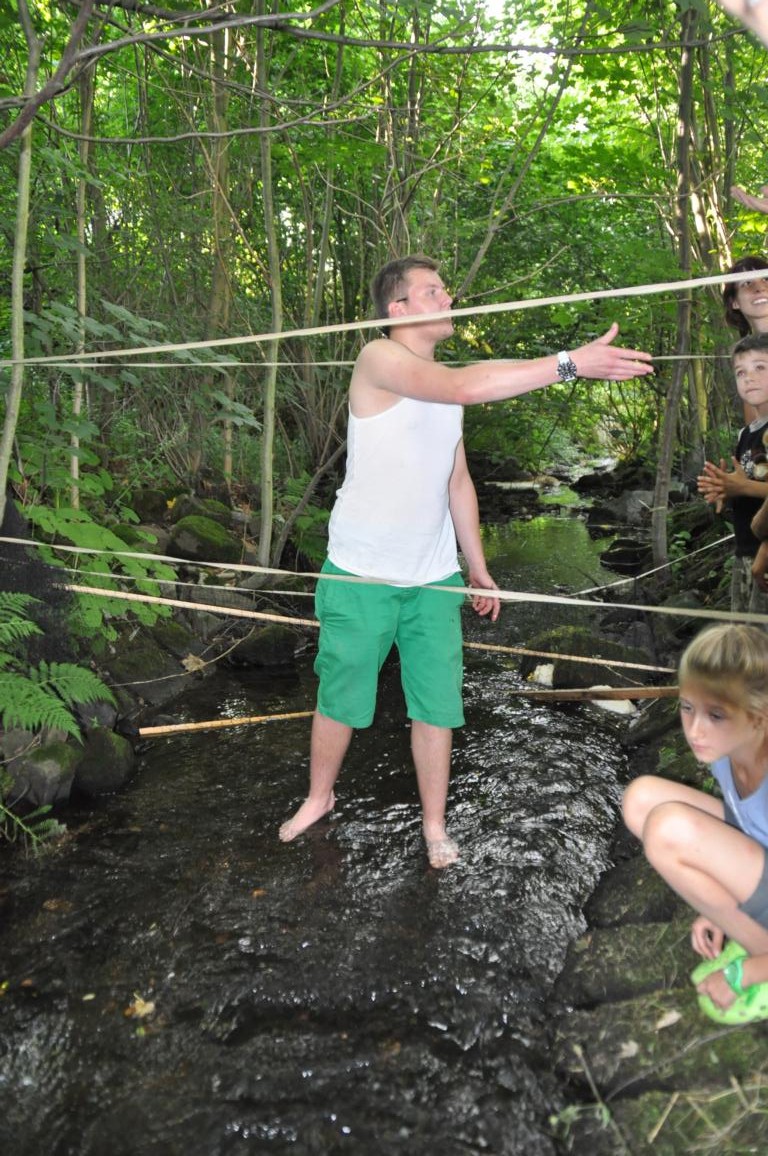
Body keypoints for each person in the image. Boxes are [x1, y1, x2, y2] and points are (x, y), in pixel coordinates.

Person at [278, 254, 654, 868]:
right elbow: (464, 385)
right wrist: (569, 364)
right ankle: (319, 797)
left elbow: (456, 480)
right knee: (341, 693)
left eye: (445, 289)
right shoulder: (377, 357)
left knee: (436, 703)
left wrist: (476, 564)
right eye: (433, 290)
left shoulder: (445, 387)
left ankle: (434, 825)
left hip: (434, 576)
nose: (448, 298)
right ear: (398, 308)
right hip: (361, 570)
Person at [622, 623, 768, 1024]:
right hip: (759, 856)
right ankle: (748, 930)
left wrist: (743, 974)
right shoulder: (726, 748)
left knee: (668, 829)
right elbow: (745, 826)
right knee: (641, 799)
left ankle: (760, 955)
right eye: (688, 707)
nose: (695, 730)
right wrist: (718, 905)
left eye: (715, 714)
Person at [697, 333, 768, 616]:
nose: (749, 378)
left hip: (764, 552)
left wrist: (742, 487)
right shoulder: (746, 434)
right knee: (743, 633)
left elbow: (748, 486)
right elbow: (748, 483)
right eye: (741, 372)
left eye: (760, 367)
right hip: (745, 551)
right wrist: (725, 490)